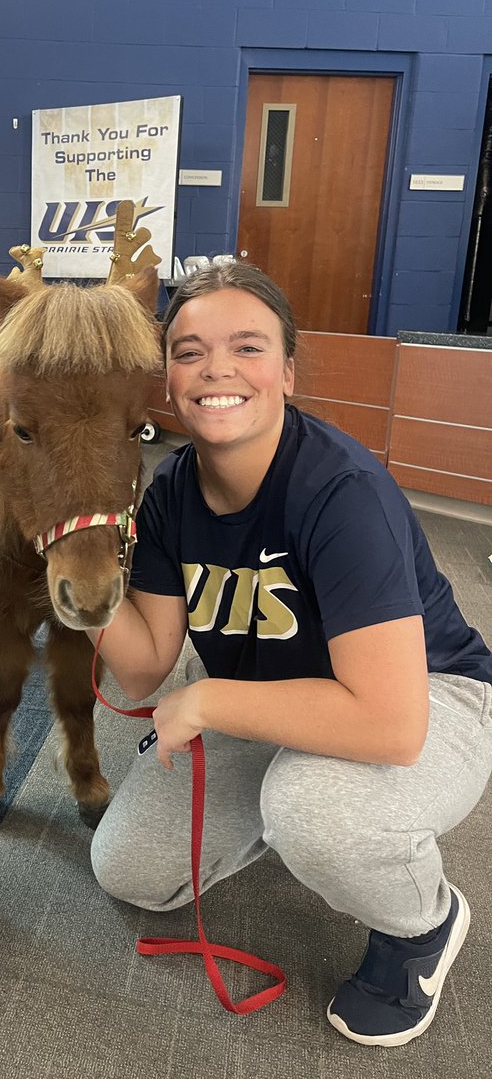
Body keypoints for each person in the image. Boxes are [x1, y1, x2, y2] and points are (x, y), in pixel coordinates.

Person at [88, 262, 492, 1049]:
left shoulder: (339, 491)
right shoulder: (171, 491)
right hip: (277, 706)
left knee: (316, 810)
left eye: (248, 347)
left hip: (430, 700)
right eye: (190, 350)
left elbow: (392, 725)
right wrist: (74, 571)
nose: (217, 370)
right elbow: (142, 666)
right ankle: (296, 808)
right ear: (167, 377)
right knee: (134, 872)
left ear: (288, 371)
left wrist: (205, 702)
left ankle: (424, 925)